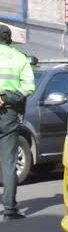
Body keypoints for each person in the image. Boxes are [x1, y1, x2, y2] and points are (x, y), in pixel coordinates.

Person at [0, 25, 36, 220]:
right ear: (9, 39)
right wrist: (6, 97)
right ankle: (9, 209)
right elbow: (29, 87)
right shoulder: (19, 57)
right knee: (8, 161)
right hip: (8, 112)